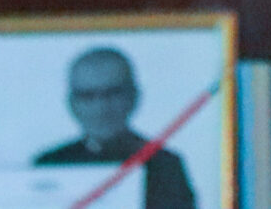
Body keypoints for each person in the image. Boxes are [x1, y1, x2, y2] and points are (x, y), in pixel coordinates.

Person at [35, 46, 199, 209]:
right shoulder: (48, 165)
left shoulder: (165, 166)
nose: (101, 108)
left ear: (133, 97)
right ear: (72, 104)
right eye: (87, 96)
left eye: (113, 93)